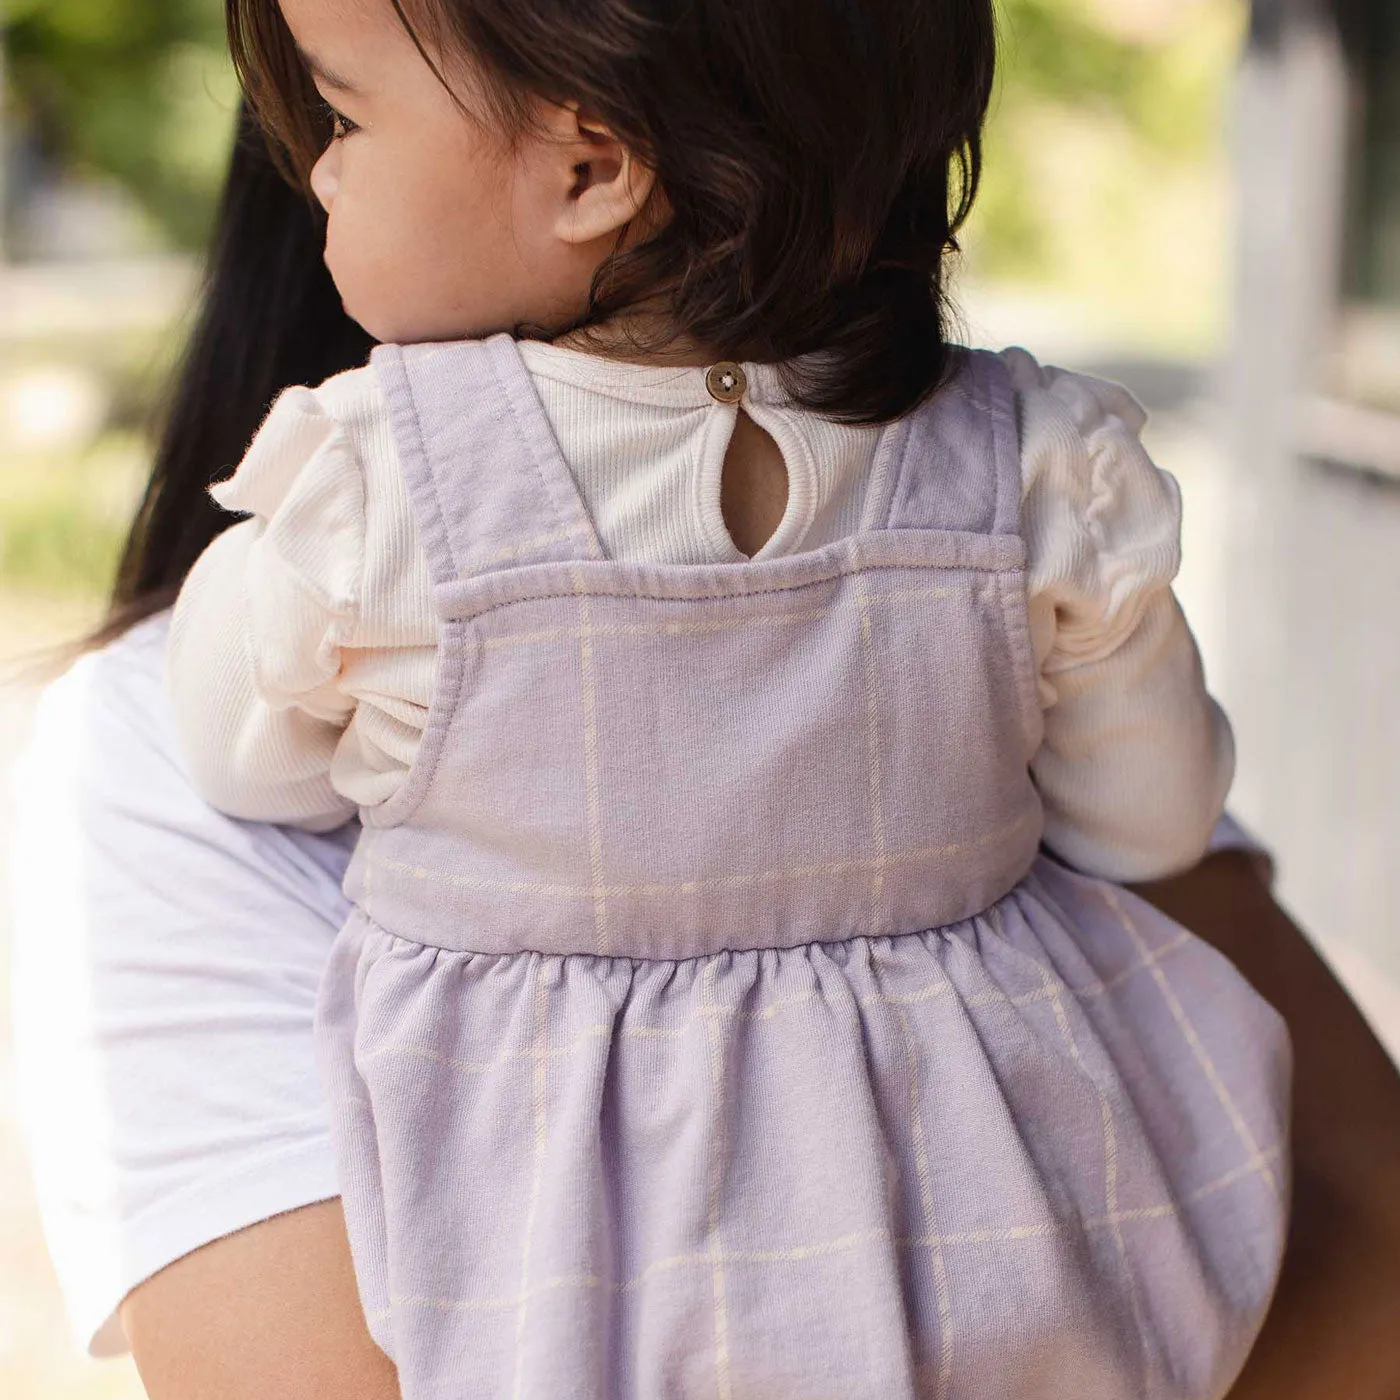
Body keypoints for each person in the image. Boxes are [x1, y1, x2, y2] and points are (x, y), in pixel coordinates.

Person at [8, 45, 1400, 1400]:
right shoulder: (1037, 469)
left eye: (344, 119)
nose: (318, 175)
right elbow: (1153, 822)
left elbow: (246, 762)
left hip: (572, 1297)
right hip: (1052, 1273)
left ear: (592, 166)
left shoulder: (379, 507)